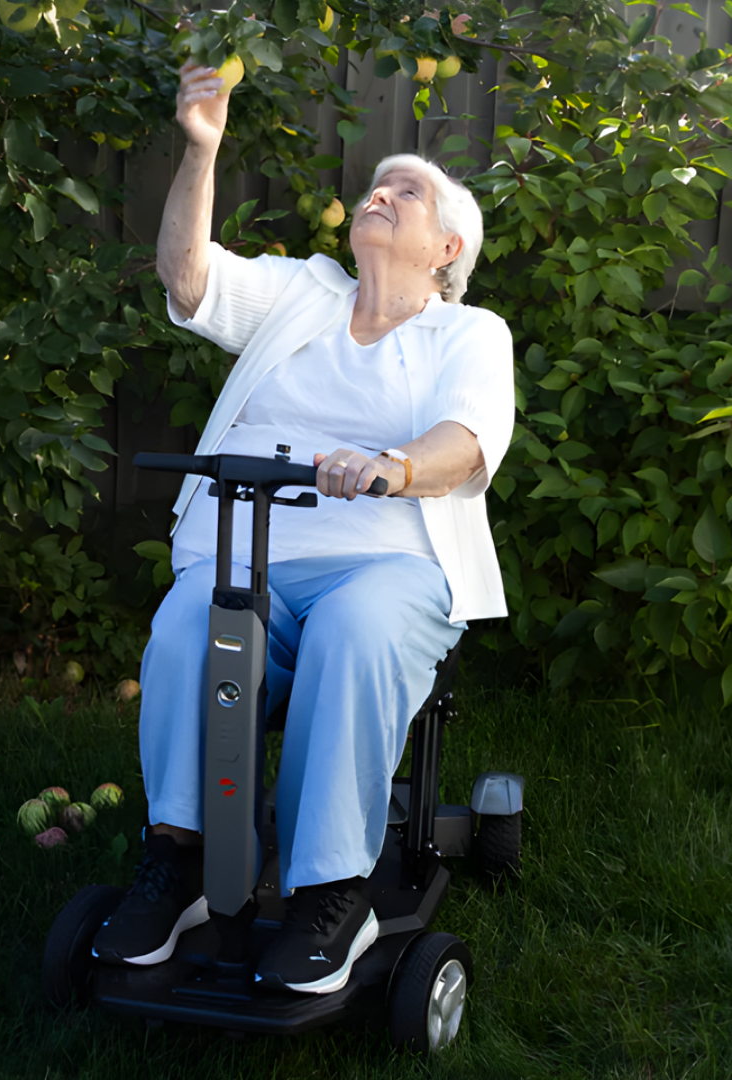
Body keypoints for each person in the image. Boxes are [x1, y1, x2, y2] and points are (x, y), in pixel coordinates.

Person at [92, 59, 514, 995]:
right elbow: (190, 280)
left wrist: (392, 466)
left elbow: (470, 440)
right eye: (379, 182)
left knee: (357, 637)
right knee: (179, 634)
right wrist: (200, 150)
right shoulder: (305, 293)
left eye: (409, 190)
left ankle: (334, 892)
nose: (382, 191)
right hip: (247, 551)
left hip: (388, 561)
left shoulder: (467, 333)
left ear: (447, 248)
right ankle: (182, 857)